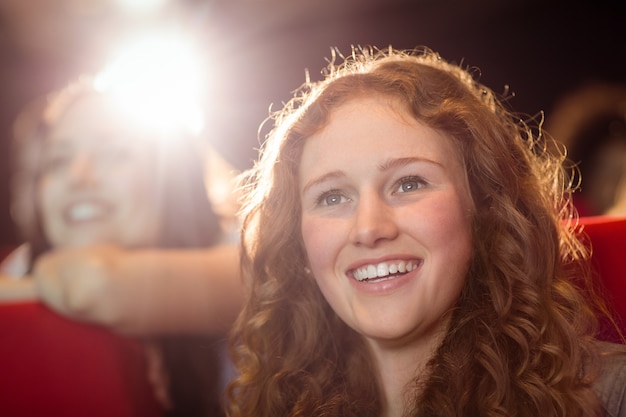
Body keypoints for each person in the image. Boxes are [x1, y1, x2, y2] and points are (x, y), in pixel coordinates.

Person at [227, 46, 626, 417]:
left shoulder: (609, 395)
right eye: (332, 197)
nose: (369, 229)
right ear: (299, 245)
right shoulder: (271, 403)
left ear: (484, 210)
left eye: (409, 183)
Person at [0, 76, 243, 416]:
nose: (78, 175)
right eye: (57, 161)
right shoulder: (24, 264)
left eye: (113, 154)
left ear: (172, 179)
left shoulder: (246, 257)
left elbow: (92, 283)